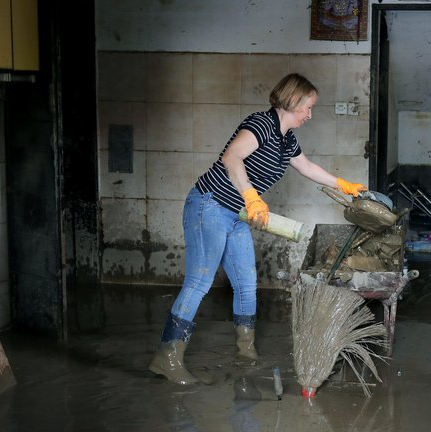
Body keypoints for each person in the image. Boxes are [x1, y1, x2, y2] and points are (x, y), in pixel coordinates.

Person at [148, 73, 367, 385]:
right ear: (292, 101)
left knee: (247, 283)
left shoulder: (286, 139)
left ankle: (246, 350)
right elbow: (231, 157)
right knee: (199, 282)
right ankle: (166, 356)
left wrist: (344, 185)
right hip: (209, 205)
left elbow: (306, 167)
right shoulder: (261, 124)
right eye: (308, 107)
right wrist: (252, 195)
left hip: (237, 214)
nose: (309, 115)